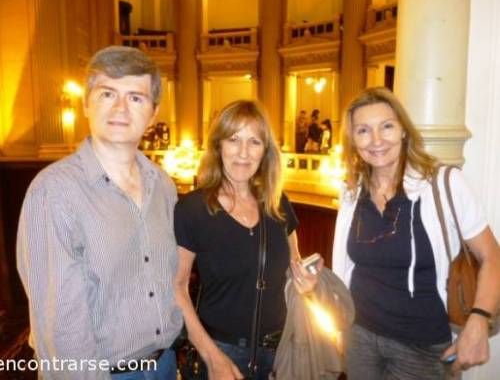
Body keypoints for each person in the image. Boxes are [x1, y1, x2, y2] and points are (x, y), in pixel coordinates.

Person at [17, 46, 183, 379]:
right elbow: (60, 324)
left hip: (165, 364)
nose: (121, 108)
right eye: (108, 93)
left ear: (153, 113)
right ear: (86, 104)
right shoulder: (54, 190)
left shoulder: (163, 185)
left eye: (135, 97)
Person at [332, 87, 500, 379]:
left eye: (386, 126)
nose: (376, 140)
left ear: (403, 131)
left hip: (422, 347)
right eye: (363, 131)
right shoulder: (351, 191)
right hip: (359, 337)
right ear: (353, 141)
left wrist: (479, 319)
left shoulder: (444, 182)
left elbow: (492, 257)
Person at [173, 100, 322, 380]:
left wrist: (307, 282)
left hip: (280, 353)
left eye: (254, 142)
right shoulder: (192, 209)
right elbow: (177, 287)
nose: (243, 152)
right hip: (221, 351)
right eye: (234, 140)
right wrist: (212, 357)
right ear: (218, 146)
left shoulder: (278, 205)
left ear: (265, 151)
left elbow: (293, 267)